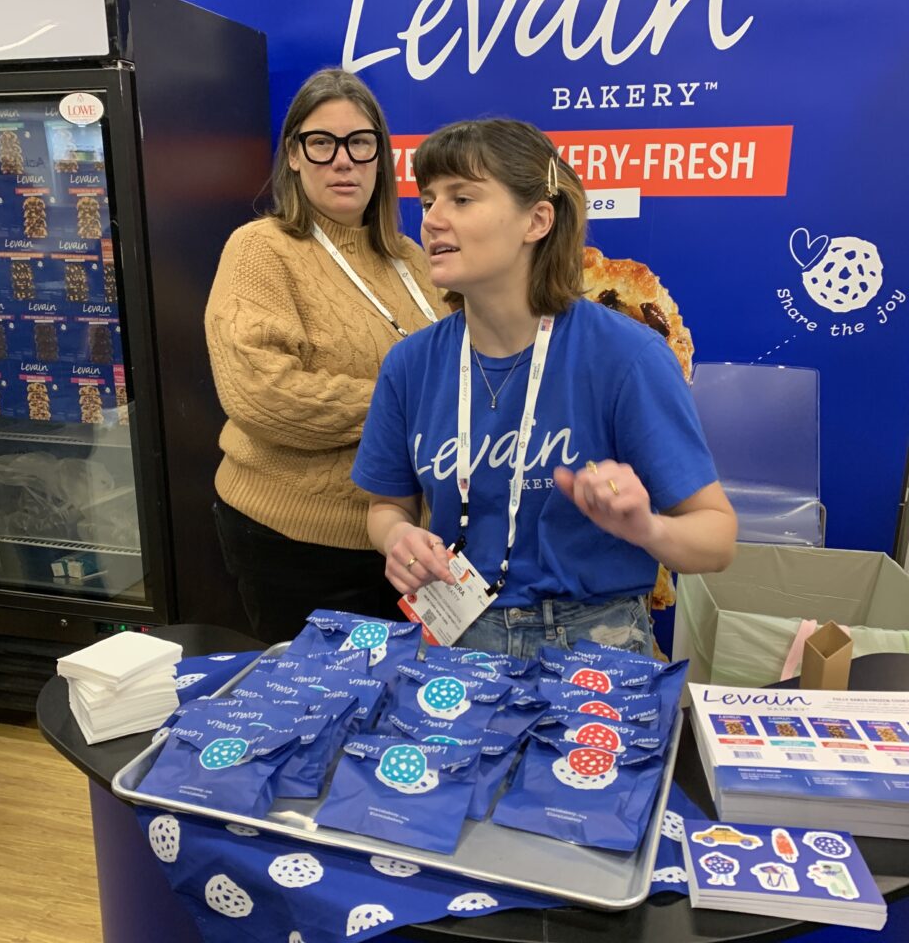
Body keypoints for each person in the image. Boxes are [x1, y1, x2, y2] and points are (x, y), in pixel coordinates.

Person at [352, 118, 736, 659]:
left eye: (462, 199)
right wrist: (397, 539)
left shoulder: (627, 357)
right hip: (455, 634)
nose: (432, 220)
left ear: (537, 220)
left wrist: (645, 526)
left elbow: (716, 539)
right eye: (427, 201)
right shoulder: (410, 365)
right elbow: (385, 506)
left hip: (594, 636)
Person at [205, 68, 444, 643]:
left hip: (407, 543)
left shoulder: (412, 259)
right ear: (293, 155)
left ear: (381, 157)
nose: (344, 161)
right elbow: (263, 396)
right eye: (322, 143)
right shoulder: (261, 249)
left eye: (361, 143)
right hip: (296, 543)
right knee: (313, 713)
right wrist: (416, 405)